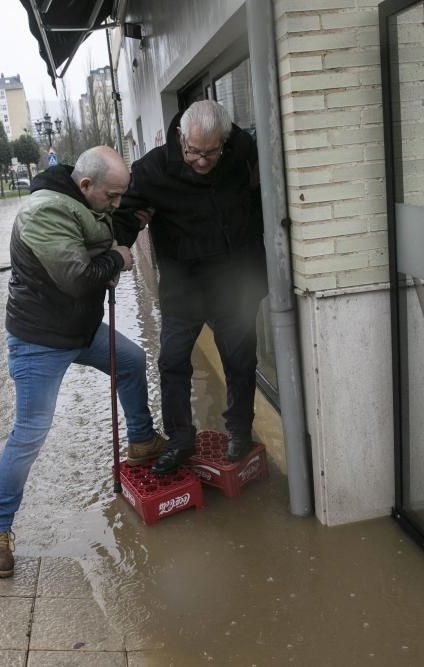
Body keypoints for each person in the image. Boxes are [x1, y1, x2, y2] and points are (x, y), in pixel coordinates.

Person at [0, 146, 166, 578]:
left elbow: (103, 234)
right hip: (39, 341)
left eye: (122, 196)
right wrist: (117, 258)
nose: (116, 204)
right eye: (112, 197)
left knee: (132, 361)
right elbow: (79, 277)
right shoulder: (45, 212)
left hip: (79, 331)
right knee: (30, 434)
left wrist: (126, 226)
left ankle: (140, 442)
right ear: (85, 185)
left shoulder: (84, 200)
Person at [113, 100, 267, 475]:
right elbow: (125, 215)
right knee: (172, 362)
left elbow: (262, 180)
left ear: (225, 142)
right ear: (181, 137)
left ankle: (239, 432)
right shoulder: (151, 170)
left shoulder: (241, 152)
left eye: (210, 153)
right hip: (184, 284)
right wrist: (116, 248)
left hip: (232, 281)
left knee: (240, 360)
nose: (201, 160)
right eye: (193, 151)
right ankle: (181, 439)